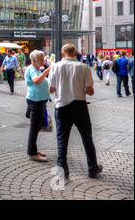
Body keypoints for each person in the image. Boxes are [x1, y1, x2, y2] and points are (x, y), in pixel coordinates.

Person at [48, 44, 102, 178]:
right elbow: (90, 92)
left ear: (62, 53)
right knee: (86, 137)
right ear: (76, 53)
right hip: (79, 106)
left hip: (61, 107)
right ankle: (92, 167)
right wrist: (78, 88)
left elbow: (51, 89)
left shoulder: (55, 66)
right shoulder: (84, 67)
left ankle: (62, 167)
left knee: (62, 138)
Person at [25, 50, 52, 162]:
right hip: (35, 101)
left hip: (38, 101)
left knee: (37, 126)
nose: (43, 61)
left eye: (43, 59)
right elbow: (36, 81)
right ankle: (32, 152)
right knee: (35, 127)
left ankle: (33, 149)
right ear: (34, 60)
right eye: (41, 59)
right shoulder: (32, 69)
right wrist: (47, 70)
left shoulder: (35, 69)